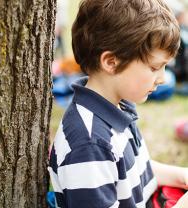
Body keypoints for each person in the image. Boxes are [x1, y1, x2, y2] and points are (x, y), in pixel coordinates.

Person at [48, 0, 188, 207]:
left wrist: (181, 176)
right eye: (154, 67)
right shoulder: (89, 145)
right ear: (111, 62)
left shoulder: (118, 105)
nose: (162, 79)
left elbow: (136, 171)